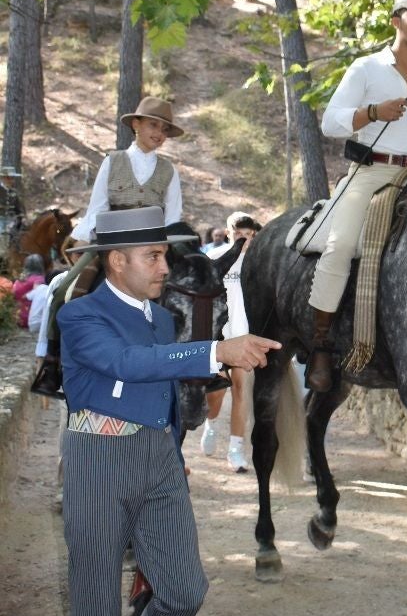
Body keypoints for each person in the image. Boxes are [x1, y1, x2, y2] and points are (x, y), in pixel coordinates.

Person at [57, 206, 279, 616]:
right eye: (154, 256)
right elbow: (126, 365)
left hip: (156, 457)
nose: (165, 266)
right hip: (97, 455)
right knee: (96, 600)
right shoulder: (78, 315)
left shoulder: (159, 317)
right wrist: (214, 351)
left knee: (184, 587)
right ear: (117, 261)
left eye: (162, 255)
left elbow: (157, 380)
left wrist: (173, 439)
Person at [306, 0, 407, 392]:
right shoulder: (366, 69)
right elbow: (330, 123)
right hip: (370, 173)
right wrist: (373, 113)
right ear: (396, 20)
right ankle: (320, 346)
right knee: (340, 245)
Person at [33, 97, 186, 397]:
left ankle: (198, 371)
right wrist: (90, 241)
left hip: (153, 246)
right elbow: (98, 207)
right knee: (64, 292)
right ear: (136, 124)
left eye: (164, 129)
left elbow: (173, 218)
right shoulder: (112, 161)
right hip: (111, 243)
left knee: (193, 295)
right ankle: (53, 366)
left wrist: (162, 250)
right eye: (153, 125)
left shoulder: (170, 171)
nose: (159, 133)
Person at [201, 214, 261, 470]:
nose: (244, 241)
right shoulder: (213, 259)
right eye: (239, 235)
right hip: (218, 338)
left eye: (248, 236)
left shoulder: (258, 263)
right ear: (228, 233)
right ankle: (210, 423)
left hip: (244, 338)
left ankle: (236, 451)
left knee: (241, 392)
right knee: (215, 396)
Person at [11, 253, 45, 327]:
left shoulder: (20, 278)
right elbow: (38, 296)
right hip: (29, 317)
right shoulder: (38, 279)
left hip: (15, 316)